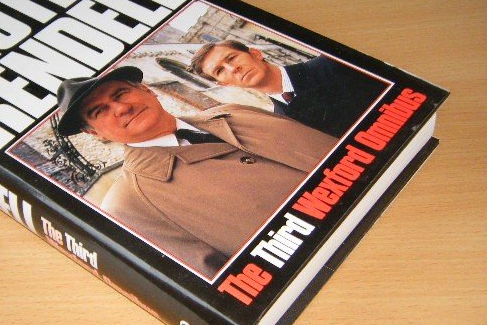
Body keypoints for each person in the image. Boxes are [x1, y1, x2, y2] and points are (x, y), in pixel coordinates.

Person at [56, 66, 336, 278]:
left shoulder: (237, 112)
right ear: (94, 133)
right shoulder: (128, 205)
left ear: (148, 91)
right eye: (99, 111)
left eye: (120, 94)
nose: (121, 108)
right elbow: (221, 283)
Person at [190, 40, 387, 137]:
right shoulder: (282, 122)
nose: (233, 68)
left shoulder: (334, 63)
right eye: (220, 70)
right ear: (224, 84)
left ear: (256, 53)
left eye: (232, 58)